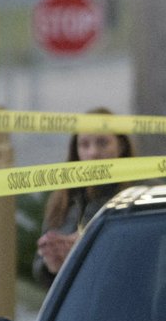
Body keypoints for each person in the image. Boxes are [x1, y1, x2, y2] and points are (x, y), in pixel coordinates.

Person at [37, 114, 139, 279]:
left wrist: (87, 249)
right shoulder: (62, 199)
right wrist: (53, 265)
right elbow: (40, 269)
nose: (93, 153)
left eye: (102, 143)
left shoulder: (142, 192)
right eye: (84, 145)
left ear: (121, 146)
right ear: (75, 152)